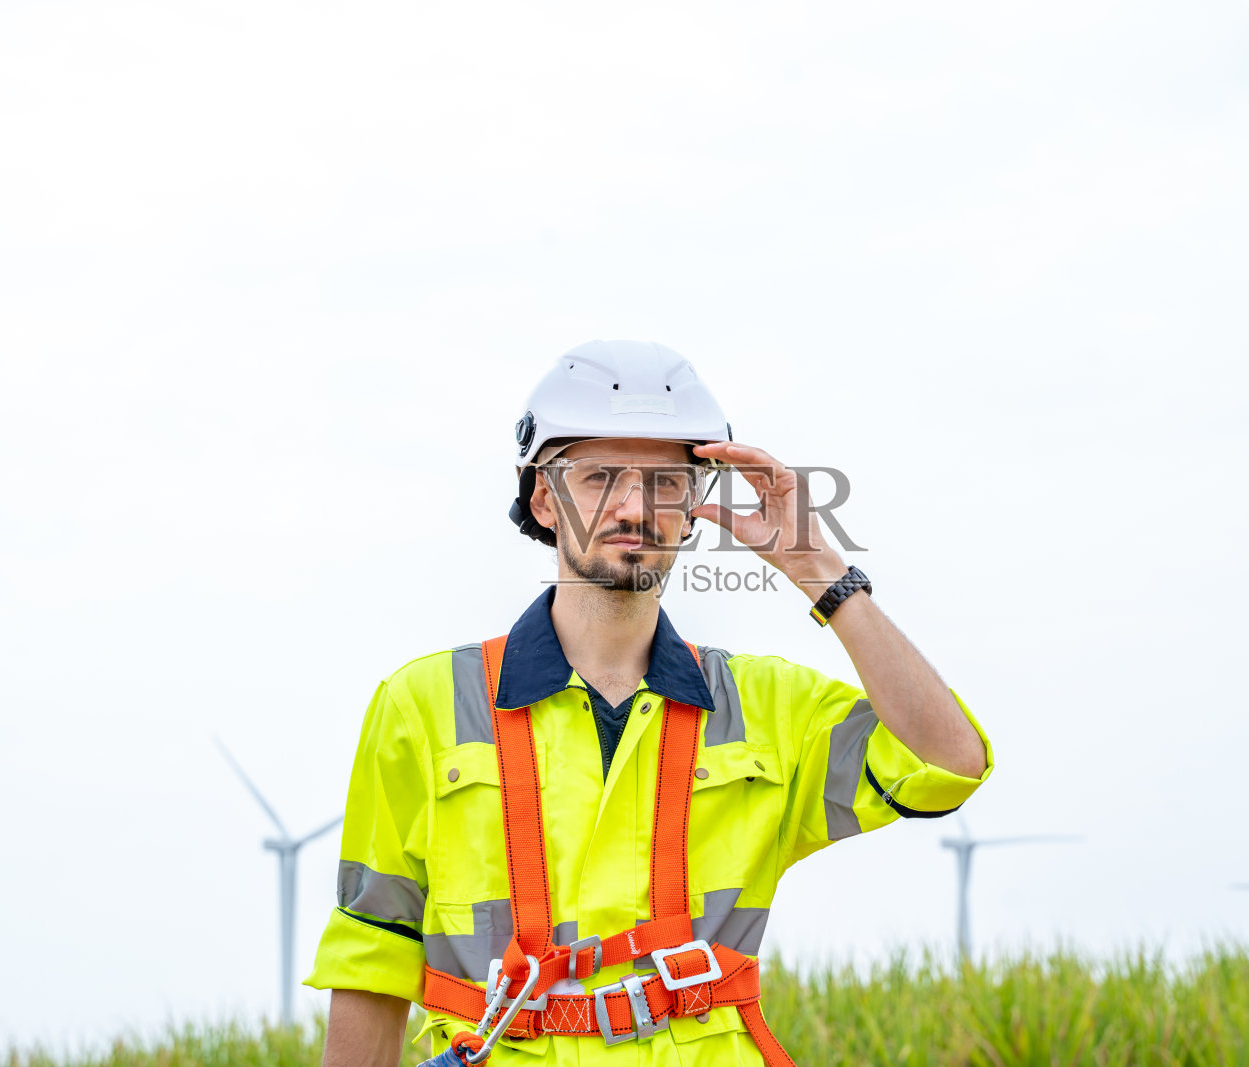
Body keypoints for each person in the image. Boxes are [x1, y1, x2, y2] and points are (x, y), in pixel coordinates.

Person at [306, 340, 993, 1066]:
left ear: (693, 505)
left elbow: (947, 761)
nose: (634, 507)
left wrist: (817, 567)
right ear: (544, 497)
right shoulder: (424, 704)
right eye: (599, 476)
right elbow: (370, 954)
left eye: (666, 482)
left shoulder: (762, 705)